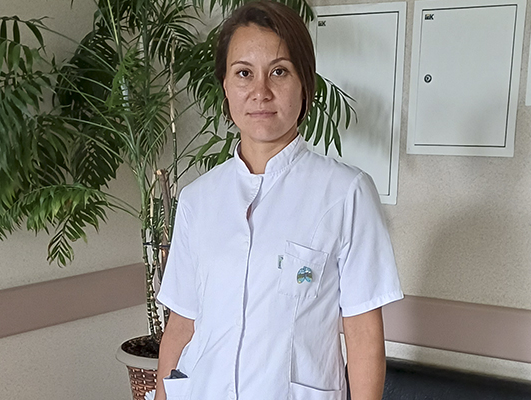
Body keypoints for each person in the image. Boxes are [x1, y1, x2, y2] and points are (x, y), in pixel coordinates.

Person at [154, 1, 403, 399]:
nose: (260, 92)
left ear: (305, 84)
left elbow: (363, 335)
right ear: (225, 86)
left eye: (279, 71)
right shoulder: (198, 199)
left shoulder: (346, 193)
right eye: (244, 73)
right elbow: (182, 325)